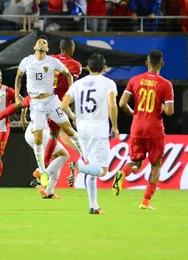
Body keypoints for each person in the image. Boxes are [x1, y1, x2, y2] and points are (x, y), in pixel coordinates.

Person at [14, 36, 85, 187]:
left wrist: (68, 95)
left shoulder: (52, 61)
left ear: (49, 49)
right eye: (39, 41)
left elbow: (66, 74)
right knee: (54, 142)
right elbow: (19, 78)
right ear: (34, 46)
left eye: (45, 42)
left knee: (66, 137)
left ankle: (49, 185)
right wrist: (16, 97)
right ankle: (42, 171)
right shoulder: (28, 61)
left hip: (52, 102)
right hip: (39, 108)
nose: (41, 43)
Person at [115, 50, 174, 210]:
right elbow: (169, 111)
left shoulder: (135, 80)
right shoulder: (165, 84)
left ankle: (123, 173)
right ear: (162, 64)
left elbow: (121, 104)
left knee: (136, 162)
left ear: (146, 63)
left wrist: (134, 114)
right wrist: (162, 107)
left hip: (137, 127)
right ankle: (146, 201)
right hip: (154, 129)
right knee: (156, 165)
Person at [62, 53, 118, 215]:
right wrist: (114, 126)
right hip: (99, 129)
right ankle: (78, 167)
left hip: (82, 129)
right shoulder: (108, 83)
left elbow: (64, 105)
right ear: (104, 68)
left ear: (87, 67)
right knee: (102, 170)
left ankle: (93, 206)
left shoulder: (77, 84)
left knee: (92, 169)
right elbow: (112, 106)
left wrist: (73, 117)